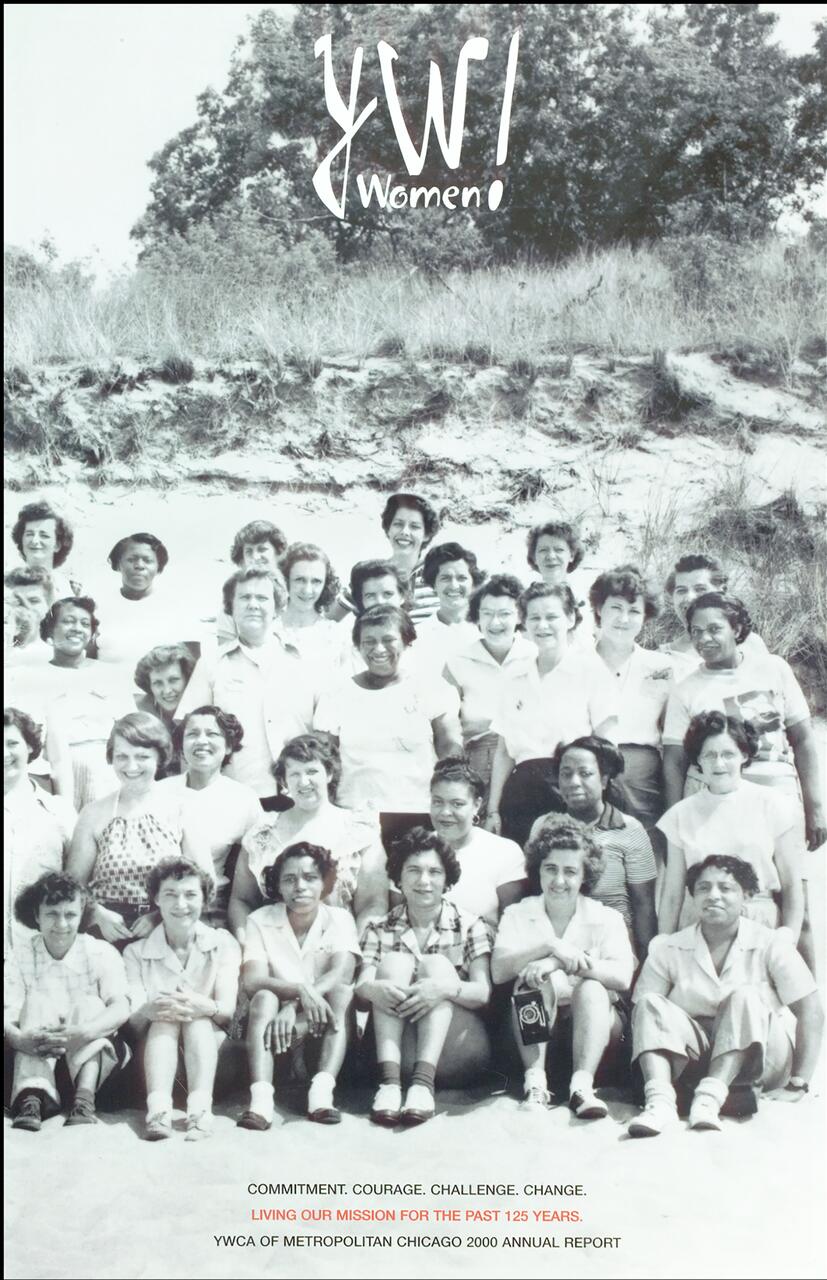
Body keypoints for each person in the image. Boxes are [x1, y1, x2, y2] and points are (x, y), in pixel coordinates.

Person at [627, 855, 823, 1137]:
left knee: (745, 996)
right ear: (692, 896)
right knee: (649, 1003)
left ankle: (709, 1100)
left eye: (726, 888)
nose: (713, 896)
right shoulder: (670, 948)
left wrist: (799, 1083)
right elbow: (644, 1020)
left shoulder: (771, 944)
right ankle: (660, 1101)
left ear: (747, 896)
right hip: (696, 1060)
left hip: (760, 1060)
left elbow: (811, 1011)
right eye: (703, 888)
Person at [491, 816, 634, 1118]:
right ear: (538, 870)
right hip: (534, 1036)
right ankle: (536, 1085)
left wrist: (557, 962)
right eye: (550, 869)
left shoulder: (606, 917)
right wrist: (550, 947)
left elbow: (622, 977)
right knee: (532, 982)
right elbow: (499, 970)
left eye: (570, 871)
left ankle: (582, 1088)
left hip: (596, 1036)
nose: (559, 881)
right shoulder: (519, 913)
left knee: (593, 988)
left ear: (585, 875)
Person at [357, 827, 493, 1126]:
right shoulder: (379, 929)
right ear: (398, 877)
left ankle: (422, 1085)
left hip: (456, 1050)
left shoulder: (471, 926)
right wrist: (372, 989)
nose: (424, 881)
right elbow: (362, 983)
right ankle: (389, 1086)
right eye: (413, 871)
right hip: (397, 1050)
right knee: (392, 964)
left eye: (434, 872)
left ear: (446, 879)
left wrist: (443, 989)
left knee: (436, 968)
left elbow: (483, 993)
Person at [314, 604, 462, 851]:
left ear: (407, 642)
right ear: (358, 646)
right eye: (368, 641)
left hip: (418, 813)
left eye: (388, 639)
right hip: (354, 814)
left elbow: (450, 746)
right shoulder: (336, 695)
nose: (378, 648)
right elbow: (323, 758)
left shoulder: (432, 688)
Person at [237, 841, 359, 1130]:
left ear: (325, 882)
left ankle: (321, 1094)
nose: (300, 887)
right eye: (289, 879)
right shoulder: (259, 920)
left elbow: (342, 973)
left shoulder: (340, 918)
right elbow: (253, 980)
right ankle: (261, 1100)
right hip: (274, 1034)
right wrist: (299, 992)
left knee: (341, 993)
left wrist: (294, 1003)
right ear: (277, 886)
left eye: (310, 878)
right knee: (264, 997)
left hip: (322, 1029)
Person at [486, 583, 618, 847]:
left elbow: (606, 747)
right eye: (534, 618)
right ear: (524, 623)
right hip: (520, 792)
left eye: (551, 617)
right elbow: (503, 752)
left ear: (570, 619)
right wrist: (493, 809)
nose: (542, 625)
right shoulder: (513, 677)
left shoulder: (591, 671)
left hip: (571, 787)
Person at [229, 733, 388, 943]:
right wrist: (249, 947)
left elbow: (373, 904)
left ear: (329, 774)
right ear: (284, 780)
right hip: (271, 948)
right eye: (294, 774)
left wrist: (351, 953)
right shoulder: (262, 832)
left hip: (339, 947)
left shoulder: (359, 829)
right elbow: (241, 901)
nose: (304, 782)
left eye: (312, 771)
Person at [124, 857, 241, 1141]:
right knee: (165, 1018)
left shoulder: (223, 943)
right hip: (154, 1065)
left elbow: (226, 1011)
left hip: (212, 1061)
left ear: (205, 898)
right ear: (156, 899)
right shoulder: (135, 952)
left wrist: (202, 1006)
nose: (181, 905)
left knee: (196, 1019)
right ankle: (159, 1112)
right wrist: (151, 1010)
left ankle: (200, 1112)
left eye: (190, 895)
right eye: (170, 895)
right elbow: (133, 1023)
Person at [657, 712, 804, 936]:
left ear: (744, 755)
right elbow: (672, 895)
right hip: (699, 922)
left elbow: (792, 884)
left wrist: (788, 936)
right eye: (709, 755)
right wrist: (664, 944)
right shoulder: (680, 814)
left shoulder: (772, 804)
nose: (719, 764)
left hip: (757, 922)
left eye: (728, 754)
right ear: (698, 759)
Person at [67, 713, 208, 944]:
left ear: (160, 757)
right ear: (111, 758)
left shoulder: (182, 809)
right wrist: (97, 915)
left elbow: (204, 881)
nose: (131, 766)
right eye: (122, 756)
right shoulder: (92, 814)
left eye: (142, 756)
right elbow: (72, 886)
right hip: (106, 933)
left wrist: (159, 917)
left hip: (168, 929)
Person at [5, 872, 130, 1131]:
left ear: (81, 914)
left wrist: (84, 1032)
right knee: (36, 1001)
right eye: (52, 914)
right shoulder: (22, 954)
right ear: (36, 916)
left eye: (70, 915)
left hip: (93, 1066)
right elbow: (9, 1013)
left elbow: (121, 1007)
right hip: (35, 1058)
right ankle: (32, 1099)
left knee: (91, 1004)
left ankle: (83, 1101)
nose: (61, 923)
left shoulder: (100, 952)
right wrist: (20, 1039)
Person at [176, 568, 315, 801]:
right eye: (244, 597)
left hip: (298, 793)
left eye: (262, 598)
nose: (253, 604)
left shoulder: (304, 660)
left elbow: (325, 731)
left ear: (278, 607)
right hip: (235, 795)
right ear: (231, 607)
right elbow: (187, 734)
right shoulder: (212, 663)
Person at [531, 737, 658, 957]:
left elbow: (643, 905)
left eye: (585, 773)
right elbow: (535, 892)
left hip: (610, 945)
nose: (573, 781)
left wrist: (644, 961)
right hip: (555, 943)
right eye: (566, 773)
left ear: (605, 779)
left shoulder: (630, 829)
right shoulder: (543, 825)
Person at [159, 707, 262, 924]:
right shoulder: (159, 792)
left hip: (214, 910)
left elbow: (257, 868)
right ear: (181, 745)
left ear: (228, 746)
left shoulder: (244, 799)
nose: (201, 741)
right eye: (192, 734)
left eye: (212, 734)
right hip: (156, 905)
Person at [591, 566, 674, 829]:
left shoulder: (661, 666)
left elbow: (670, 732)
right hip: (588, 769)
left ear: (646, 616)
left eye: (634, 611)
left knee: (645, 852)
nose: (624, 619)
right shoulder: (576, 662)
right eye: (616, 608)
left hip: (642, 776)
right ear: (598, 609)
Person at [36, 597, 134, 807]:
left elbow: (132, 731)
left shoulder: (112, 675)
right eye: (68, 621)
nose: (77, 628)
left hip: (109, 771)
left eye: (84, 623)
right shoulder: (36, 677)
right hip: (55, 769)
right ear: (50, 630)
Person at [442, 574, 536, 791]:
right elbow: (448, 723)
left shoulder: (535, 656)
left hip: (527, 755)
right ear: (477, 617)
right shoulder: (458, 662)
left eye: (505, 614)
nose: (495, 622)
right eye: (487, 614)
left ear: (520, 616)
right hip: (477, 757)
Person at [4, 709, 76, 956]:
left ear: (30, 748)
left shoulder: (59, 813)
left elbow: (77, 883)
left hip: (43, 955)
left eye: (12, 743)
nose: (4, 753)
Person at [429, 757, 525, 927]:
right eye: (437, 802)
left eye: (457, 804)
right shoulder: (413, 848)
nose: (445, 812)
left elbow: (512, 927)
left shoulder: (505, 852)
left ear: (477, 805)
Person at [660, 553, 768, 679]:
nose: (688, 598)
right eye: (681, 590)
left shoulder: (750, 644)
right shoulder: (661, 659)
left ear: (721, 592)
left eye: (700, 589)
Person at [95, 532, 186, 668]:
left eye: (148, 560)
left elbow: (192, 664)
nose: (139, 566)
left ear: (158, 567)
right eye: (131, 559)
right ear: (118, 564)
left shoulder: (176, 607)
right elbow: (85, 658)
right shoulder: (98, 605)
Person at [410, 542, 484, 677]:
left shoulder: (488, 630)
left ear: (473, 583)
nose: (454, 586)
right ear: (434, 584)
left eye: (462, 578)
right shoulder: (418, 636)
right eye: (445, 578)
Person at [214, 519, 289, 646]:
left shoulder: (299, 591)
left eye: (262, 549)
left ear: (277, 552)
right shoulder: (234, 601)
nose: (255, 557)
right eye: (249, 551)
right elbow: (226, 654)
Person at [279, 542, 347, 680]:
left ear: (326, 584)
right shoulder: (266, 628)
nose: (307, 590)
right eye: (300, 580)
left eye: (316, 581)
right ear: (285, 580)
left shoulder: (337, 636)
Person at [526, 519, 592, 645]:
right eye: (543, 550)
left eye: (559, 549)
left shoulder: (584, 601)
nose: (551, 556)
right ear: (534, 557)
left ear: (572, 555)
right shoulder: (525, 601)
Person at [380, 492, 441, 622]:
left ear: (426, 534)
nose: (405, 532)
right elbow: (330, 620)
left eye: (414, 526)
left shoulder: (441, 576)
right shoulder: (371, 574)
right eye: (398, 524)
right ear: (388, 529)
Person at [10, 499, 80, 599]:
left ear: (57, 545)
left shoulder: (70, 590)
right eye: (29, 534)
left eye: (44, 535)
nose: (34, 540)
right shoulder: (9, 584)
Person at [133, 644, 196, 732]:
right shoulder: (136, 713)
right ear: (149, 685)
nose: (167, 691)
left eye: (173, 680)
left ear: (187, 678)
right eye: (158, 683)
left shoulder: (200, 709)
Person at [4, 568, 54, 664]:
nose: (26, 606)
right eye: (17, 600)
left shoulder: (56, 657)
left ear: (48, 605)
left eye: (34, 600)